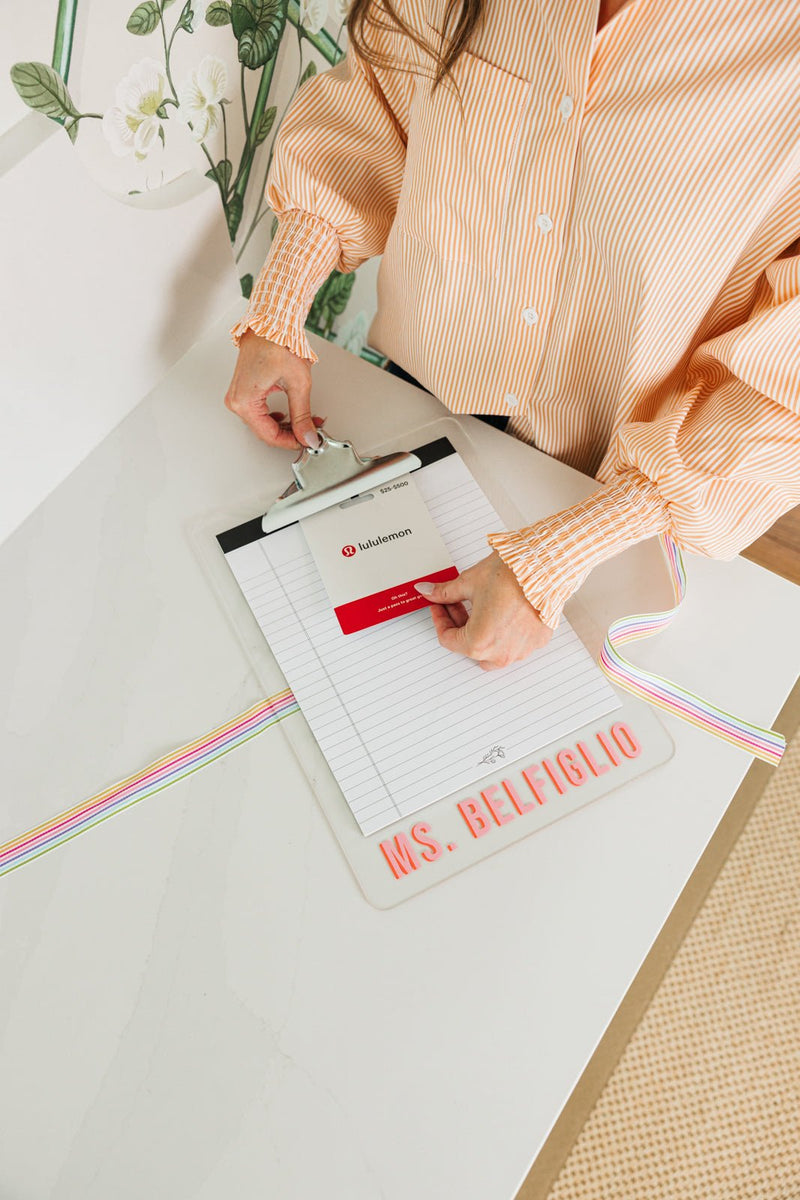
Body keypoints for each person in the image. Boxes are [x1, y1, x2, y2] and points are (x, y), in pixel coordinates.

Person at [224, 0, 800, 672]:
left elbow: (784, 388)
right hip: (412, 403)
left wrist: (560, 556)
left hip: (612, 490)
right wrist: (278, 312)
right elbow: (377, 106)